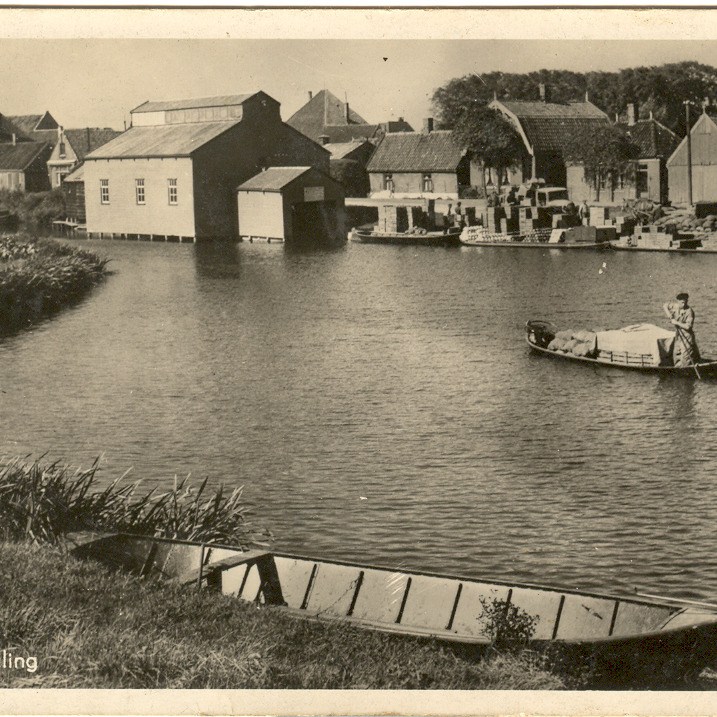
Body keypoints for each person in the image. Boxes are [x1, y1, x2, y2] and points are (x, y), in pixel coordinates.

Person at [663, 293, 700, 367]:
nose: (684, 304)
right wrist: (669, 316)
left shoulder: (689, 312)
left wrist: (676, 322)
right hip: (678, 335)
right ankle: (677, 371)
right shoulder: (675, 306)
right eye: (682, 302)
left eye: (686, 302)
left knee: (686, 358)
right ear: (678, 301)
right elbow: (665, 305)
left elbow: (688, 327)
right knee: (676, 354)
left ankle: (686, 370)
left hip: (687, 337)